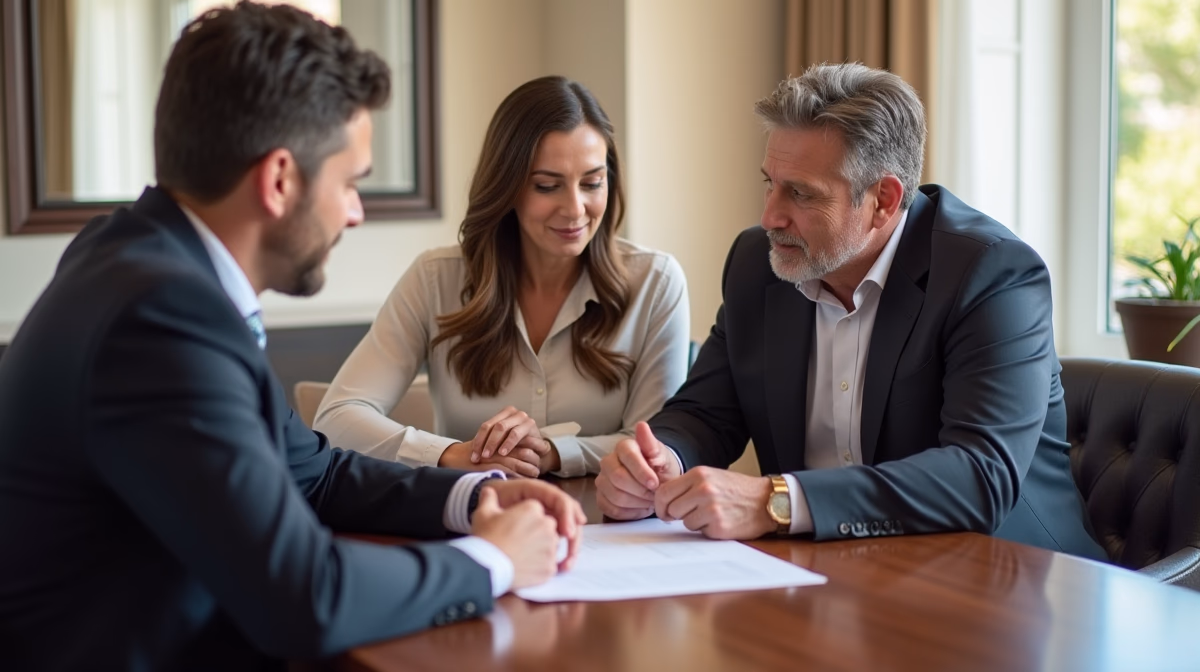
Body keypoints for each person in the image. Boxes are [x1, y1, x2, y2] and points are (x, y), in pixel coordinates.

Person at [0, 4, 585, 670]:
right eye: (351, 183)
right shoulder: (161, 318)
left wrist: (475, 497)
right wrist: (493, 561)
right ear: (279, 180)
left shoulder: (139, 258)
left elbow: (311, 471)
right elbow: (305, 598)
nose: (357, 213)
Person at [595, 63, 1106, 560]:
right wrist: (661, 457)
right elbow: (706, 413)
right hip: (841, 570)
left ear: (883, 200)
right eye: (769, 183)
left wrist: (777, 501)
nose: (770, 215)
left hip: (1013, 580)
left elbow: (979, 476)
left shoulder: (991, 273)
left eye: (800, 193)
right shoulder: (759, 263)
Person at [313, 76, 690, 479]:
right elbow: (337, 419)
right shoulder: (434, 280)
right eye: (547, 186)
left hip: (606, 528)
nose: (575, 209)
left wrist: (553, 452)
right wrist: (452, 454)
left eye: (592, 183)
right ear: (507, 186)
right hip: (472, 521)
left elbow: (654, 445)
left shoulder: (656, 282)